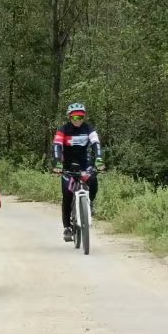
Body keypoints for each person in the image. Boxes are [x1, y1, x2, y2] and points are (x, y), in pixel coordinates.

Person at [52, 103, 105, 242]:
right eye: (74, 116)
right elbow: (57, 145)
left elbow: (96, 144)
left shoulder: (88, 128)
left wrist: (99, 159)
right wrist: (57, 162)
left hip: (85, 164)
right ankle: (67, 227)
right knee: (67, 194)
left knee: (93, 180)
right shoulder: (63, 129)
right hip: (68, 166)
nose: (77, 119)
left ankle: (90, 203)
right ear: (70, 117)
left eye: (81, 116)